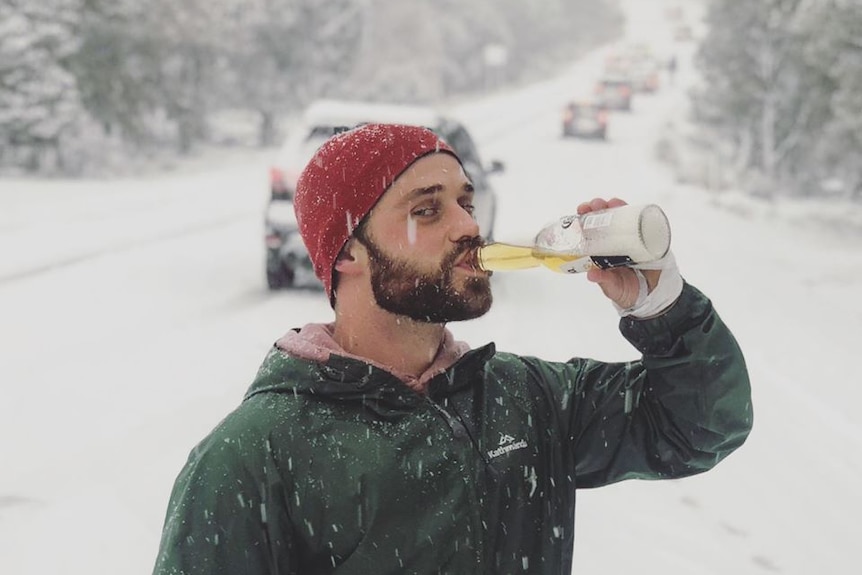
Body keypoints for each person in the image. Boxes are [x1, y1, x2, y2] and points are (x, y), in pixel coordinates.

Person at [152, 123, 752, 575]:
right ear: (346, 252)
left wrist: (662, 305)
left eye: (465, 202)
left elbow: (699, 426)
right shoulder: (253, 455)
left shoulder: (527, 399)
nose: (468, 226)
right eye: (426, 210)